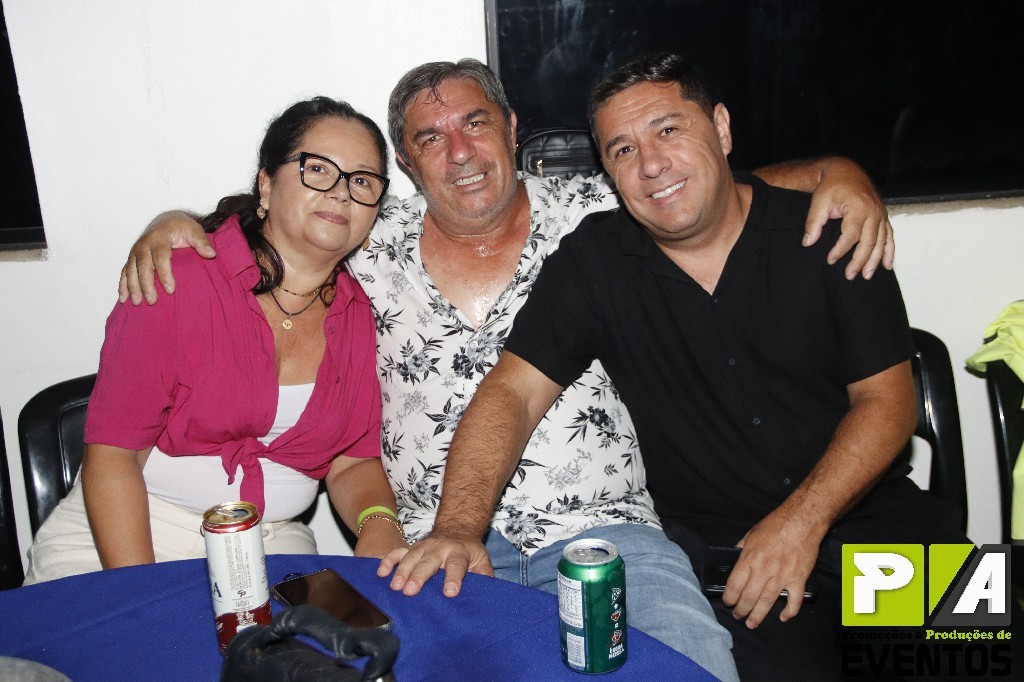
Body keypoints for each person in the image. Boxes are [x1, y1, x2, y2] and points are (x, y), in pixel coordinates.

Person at [118, 59, 893, 681]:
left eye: (475, 123)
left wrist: (838, 171)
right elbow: (278, 221)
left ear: (512, 127)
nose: (458, 152)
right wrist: (174, 224)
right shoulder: (364, 241)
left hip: (614, 535)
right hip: (436, 550)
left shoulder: (596, 212)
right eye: (429, 139)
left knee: (950, 636)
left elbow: (696, 184)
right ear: (406, 166)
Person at [385, 54, 972, 681]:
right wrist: (459, 527)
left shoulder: (828, 231)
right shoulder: (594, 262)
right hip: (731, 565)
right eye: (623, 150)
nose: (652, 164)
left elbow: (889, 402)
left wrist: (800, 524)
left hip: (877, 533)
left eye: (668, 129)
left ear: (721, 128)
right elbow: (514, 393)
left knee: (986, 653)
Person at [23, 97, 407, 584]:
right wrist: (142, 594)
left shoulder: (360, 315)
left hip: (273, 543)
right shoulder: (178, 279)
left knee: (359, 632)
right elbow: (114, 456)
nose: (341, 193)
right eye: (317, 169)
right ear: (266, 184)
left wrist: (379, 524)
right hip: (130, 539)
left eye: (362, 181)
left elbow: (352, 461)